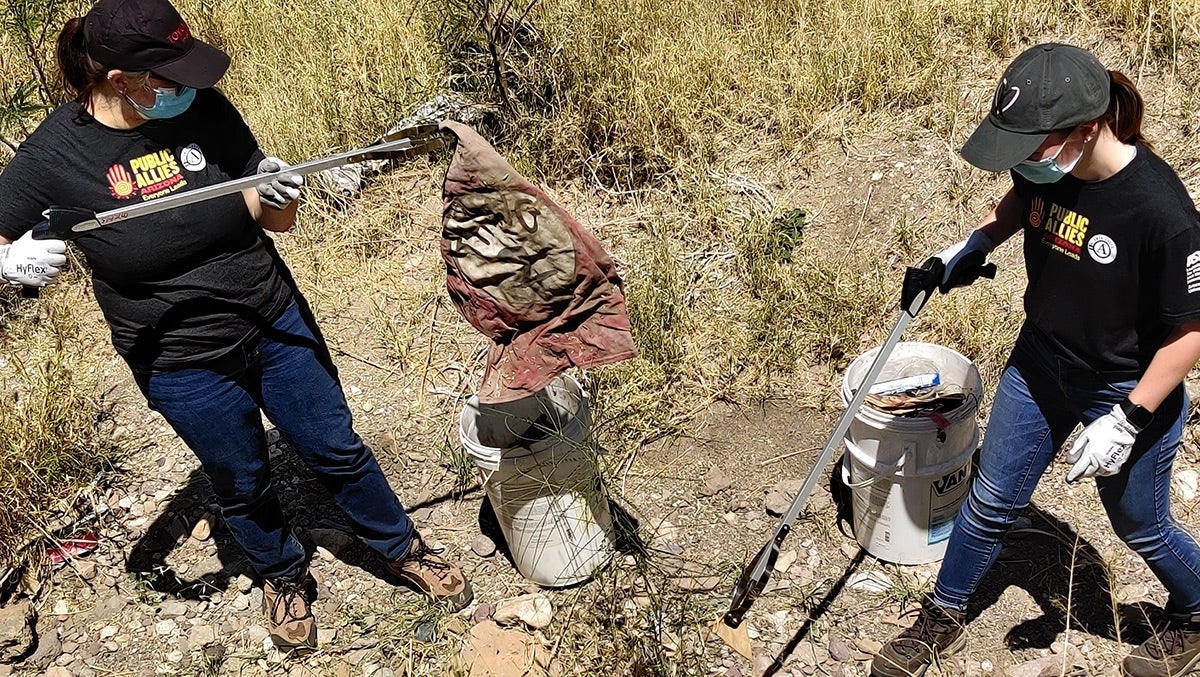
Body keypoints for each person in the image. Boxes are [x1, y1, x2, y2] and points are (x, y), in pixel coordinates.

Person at [0, 0, 472, 652]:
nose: (185, 89)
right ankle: (280, 573)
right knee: (242, 477)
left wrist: (279, 194)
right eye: (168, 77)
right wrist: (8, 261)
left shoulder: (203, 109)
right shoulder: (55, 154)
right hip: (178, 359)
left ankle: (400, 544)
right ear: (119, 79)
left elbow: (266, 216)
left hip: (271, 318)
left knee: (334, 446)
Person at [871, 43, 1200, 677]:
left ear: (1086, 128)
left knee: (1142, 524)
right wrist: (968, 247)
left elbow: (1191, 330)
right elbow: (1021, 204)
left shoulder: (1162, 213)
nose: (1022, 161)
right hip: (1041, 360)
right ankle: (942, 614)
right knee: (991, 497)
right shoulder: (1047, 160)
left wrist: (1129, 417)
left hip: (1126, 385)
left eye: (1031, 147)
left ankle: (1196, 607)